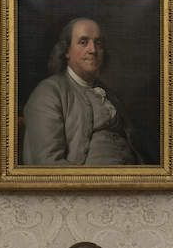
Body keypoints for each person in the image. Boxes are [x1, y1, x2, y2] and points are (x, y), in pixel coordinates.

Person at [22, 17, 145, 165]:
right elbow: (48, 162)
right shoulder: (48, 93)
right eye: (83, 42)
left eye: (98, 43)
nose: (93, 50)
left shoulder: (112, 96)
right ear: (66, 50)